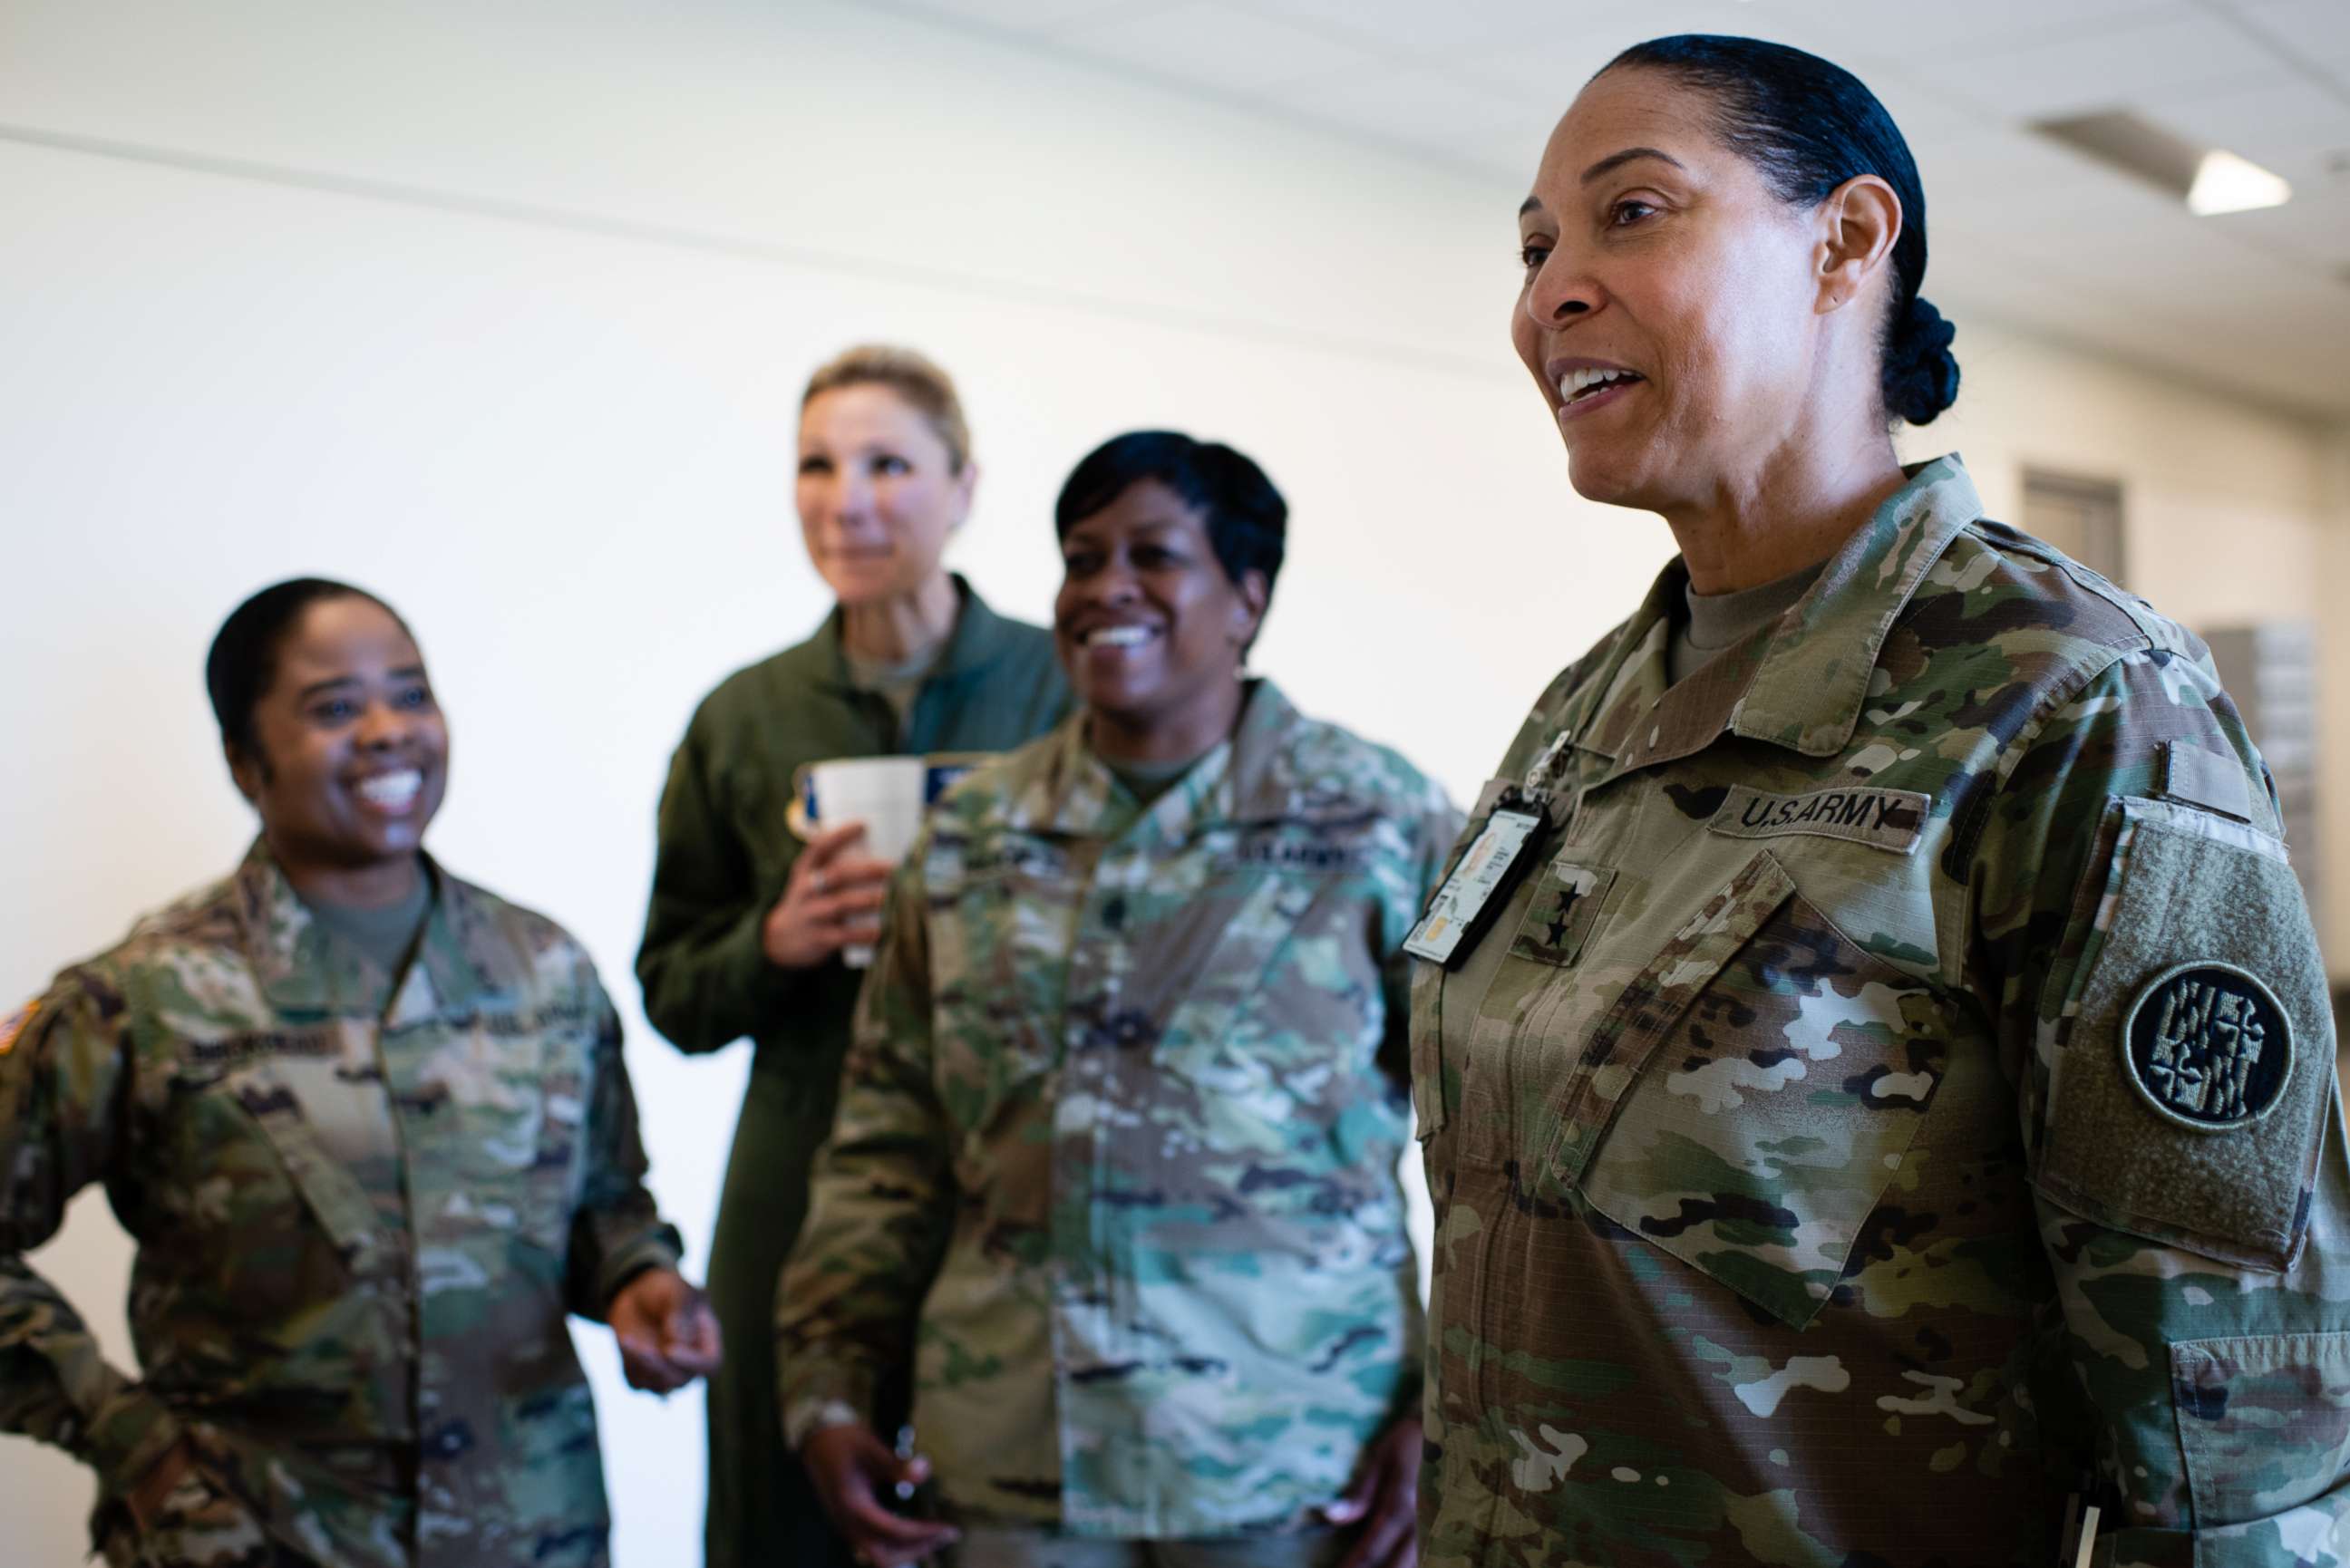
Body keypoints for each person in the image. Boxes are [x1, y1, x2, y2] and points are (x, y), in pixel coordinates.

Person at [1412, 33, 2350, 1566]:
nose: (1548, 293)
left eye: (1628, 213)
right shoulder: (1581, 714)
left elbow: (2236, 1442)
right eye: (1533, 248)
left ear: (1845, 241)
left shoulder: (2072, 703)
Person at [777, 431, 1460, 1568]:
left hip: (1290, 1467)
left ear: (1247, 596)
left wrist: (1448, 1403)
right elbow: (885, 1143)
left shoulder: (1382, 824)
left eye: (1154, 555)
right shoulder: (969, 841)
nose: (1106, 590)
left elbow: (1492, 1150)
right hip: (1010, 1466)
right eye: (1081, 559)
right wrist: (828, 1384)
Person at [0, 578, 717, 1568]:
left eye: (411, 694)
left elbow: (604, 1201)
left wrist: (641, 1281)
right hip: (258, 1538)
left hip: (531, 1532)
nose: (388, 730)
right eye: (334, 707)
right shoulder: (145, 997)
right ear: (244, 757)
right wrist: (124, 1435)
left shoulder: (544, 969)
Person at [636, 344, 1069, 1568]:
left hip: (1017, 1169)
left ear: (963, 485)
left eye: (888, 462)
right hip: (803, 1165)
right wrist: (776, 941)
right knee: (789, 1515)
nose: (849, 497)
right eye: (818, 465)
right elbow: (672, 988)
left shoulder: (1063, 688)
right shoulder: (744, 718)